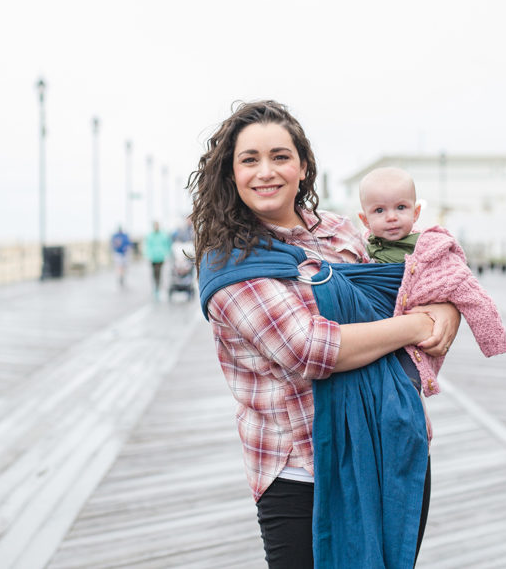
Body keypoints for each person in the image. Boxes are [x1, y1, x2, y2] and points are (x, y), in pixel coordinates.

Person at [189, 100, 460, 568]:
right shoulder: (231, 262)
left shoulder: (343, 231)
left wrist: (447, 308)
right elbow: (311, 349)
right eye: (249, 160)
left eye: (279, 156)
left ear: (303, 166)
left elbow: (416, 282)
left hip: (392, 447)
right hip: (303, 476)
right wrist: (418, 325)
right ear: (231, 175)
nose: (265, 171)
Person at [357, 167, 506, 397]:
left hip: (412, 347)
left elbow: (471, 293)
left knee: (404, 390)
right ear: (365, 219)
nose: (391, 217)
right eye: (379, 210)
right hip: (371, 340)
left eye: (401, 207)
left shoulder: (432, 252)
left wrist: (492, 340)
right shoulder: (361, 251)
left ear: (416, 212)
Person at [144, 221, 173, 299]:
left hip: (160, 257)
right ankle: (156, 287)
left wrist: (166, 253)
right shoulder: (150, 235)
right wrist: (148, 255)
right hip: (153, 257)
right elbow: (147, 246)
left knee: (159, 273)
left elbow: (167, 245)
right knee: (154, 273)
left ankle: (158, 288)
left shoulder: (163, 235)